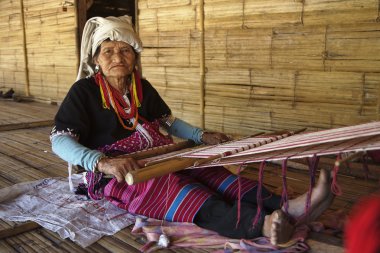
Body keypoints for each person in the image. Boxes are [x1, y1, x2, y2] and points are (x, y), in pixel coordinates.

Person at [50, 15, 334, 246]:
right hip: (122, 172)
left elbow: (169, 122)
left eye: (125, 50)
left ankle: (289, 206)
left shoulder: (141, 87)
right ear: (96, 59)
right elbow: (60, 140)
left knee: (212, 174)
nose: (118, 57)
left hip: (160, 154)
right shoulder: (84, 92)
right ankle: (261, 223)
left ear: (134, 57)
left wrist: (200, 136)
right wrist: (102, 162)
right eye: (108, 51)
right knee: (178, 189)